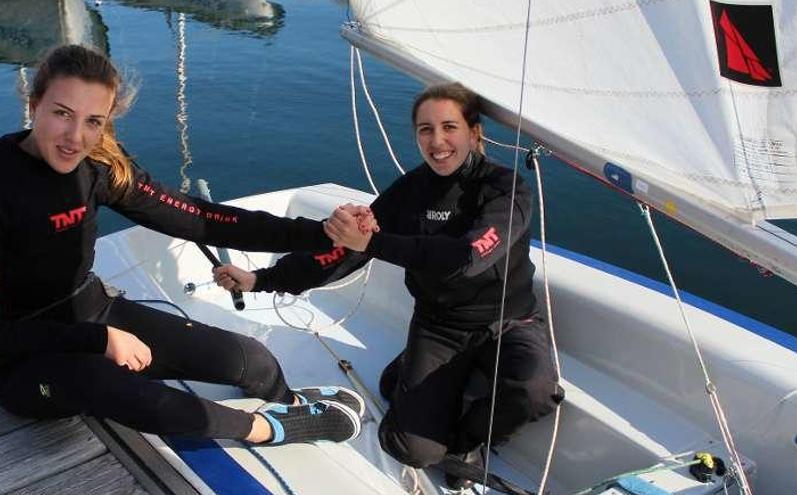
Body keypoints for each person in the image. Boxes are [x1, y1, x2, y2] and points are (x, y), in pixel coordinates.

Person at [0, 44, 366, 447]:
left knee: (253, 359)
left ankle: (288, 402)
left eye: (93, 121)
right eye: (62, 113)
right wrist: (98, 340)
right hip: (24, 361)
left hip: (91, 310)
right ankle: (266, 429)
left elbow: (203, 219)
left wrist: (321, 232)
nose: (74, 136)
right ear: (34, 106)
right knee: (126, 394)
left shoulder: (98, 166)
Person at [215, 82, 563, 489]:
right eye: (425, 130)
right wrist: (261, 279)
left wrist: (375, 242)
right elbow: (345, 253)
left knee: (536, 391)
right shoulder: (408, 192)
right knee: (410, 449)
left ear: (474, 133)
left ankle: (466, 443)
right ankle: (405, 375)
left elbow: (469, 257)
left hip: (510, 321)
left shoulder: (506, 188)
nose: (437, 141)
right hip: (440, 327)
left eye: (449, 127)